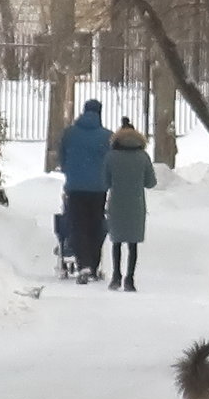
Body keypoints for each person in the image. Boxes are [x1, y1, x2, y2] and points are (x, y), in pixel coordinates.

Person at [59, 98, 112, 284]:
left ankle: (83, 264)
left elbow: (62, 158)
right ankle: (94, 265)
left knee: (78, 224)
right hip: (98, 188)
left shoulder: (70, 134)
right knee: (96, 224)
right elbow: (109, 162)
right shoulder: (107, 136)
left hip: (75, 187)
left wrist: (71, 173)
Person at [104, 117, 157, 292]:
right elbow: (151, 182)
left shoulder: (111, 156)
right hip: (136, 204)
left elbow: (105, 182)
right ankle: (130, 279)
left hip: (117, 203)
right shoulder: (143, 157)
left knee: (116, 241)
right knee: (133, 243)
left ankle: (116, 276)